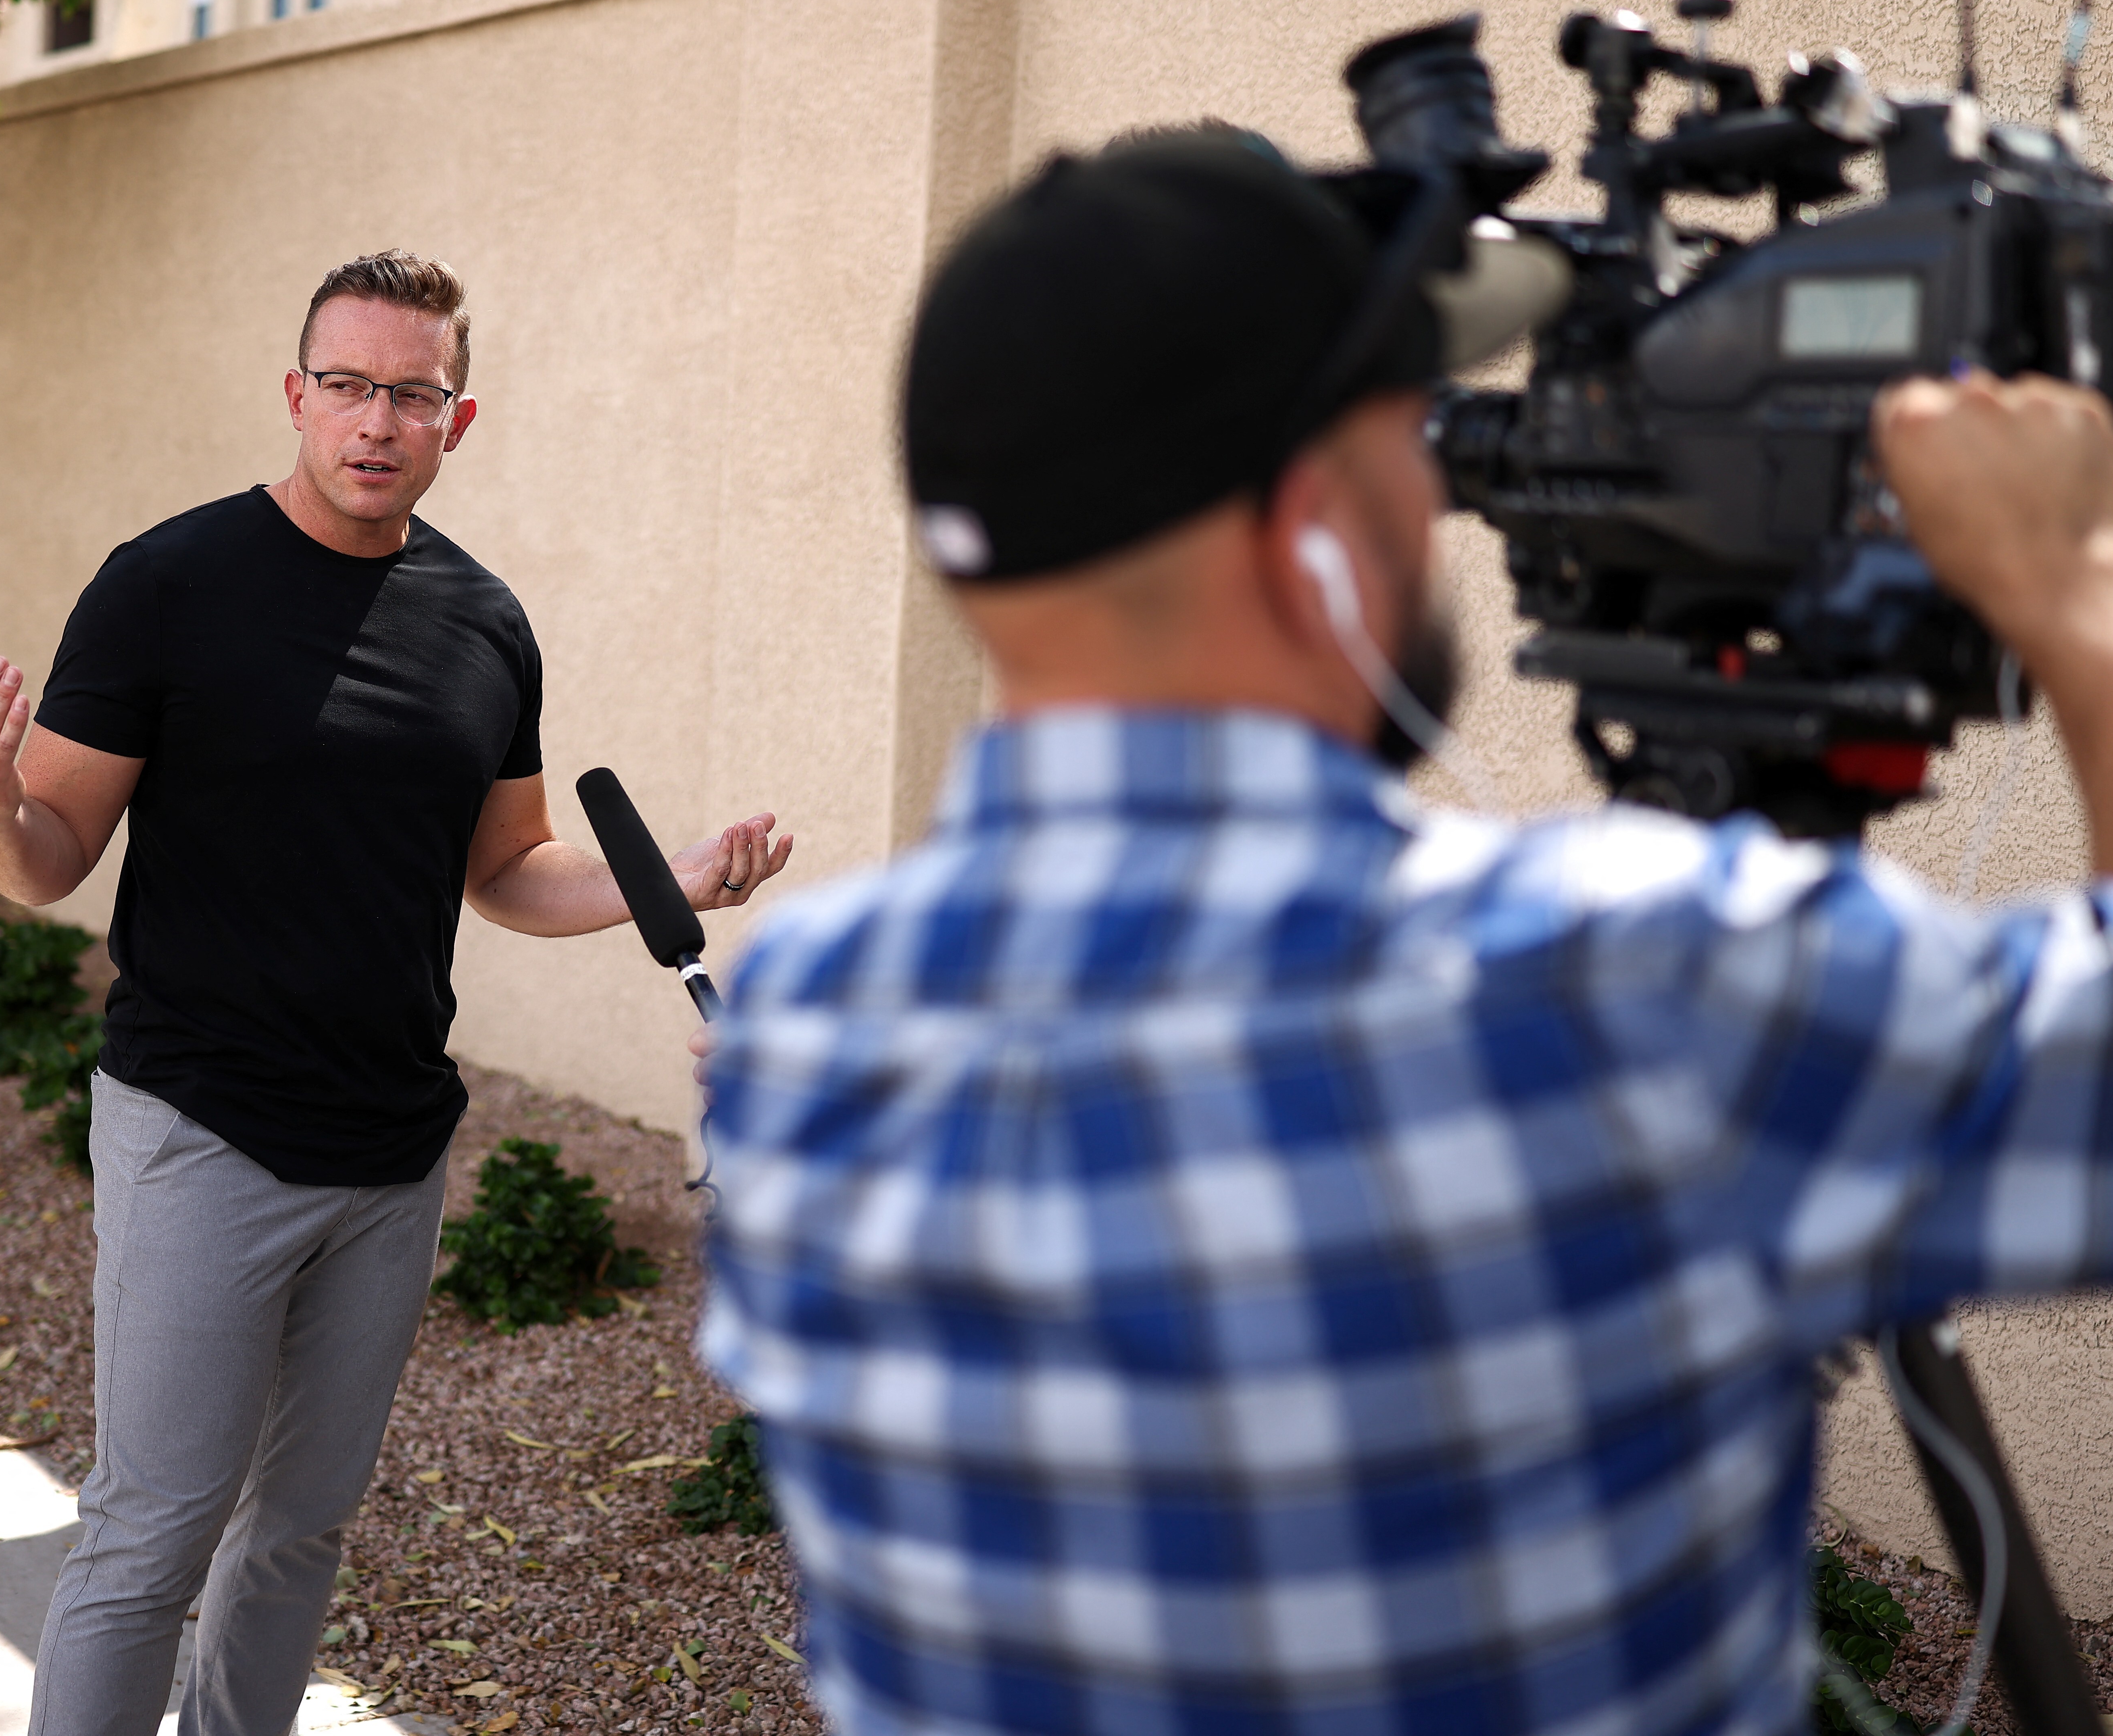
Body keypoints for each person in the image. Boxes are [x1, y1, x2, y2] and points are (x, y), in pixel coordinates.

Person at [690, 131, 2113, 1736]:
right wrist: (2071, 589)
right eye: (1413, 447)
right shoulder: (1638, 982)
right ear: (1314, 527)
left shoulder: (797, 1028)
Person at [0, 249, 792, 1736]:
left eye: (414, 394)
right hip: (203, 1127)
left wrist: (673, 880)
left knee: (301, 1530)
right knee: (152, 1533)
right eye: (350, 387)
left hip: (390, 1154)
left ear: (462, 417)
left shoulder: (485, 623)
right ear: (296, 394)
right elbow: (45, 859)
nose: (378, 421)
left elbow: (505, 865)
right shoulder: (167, 585)